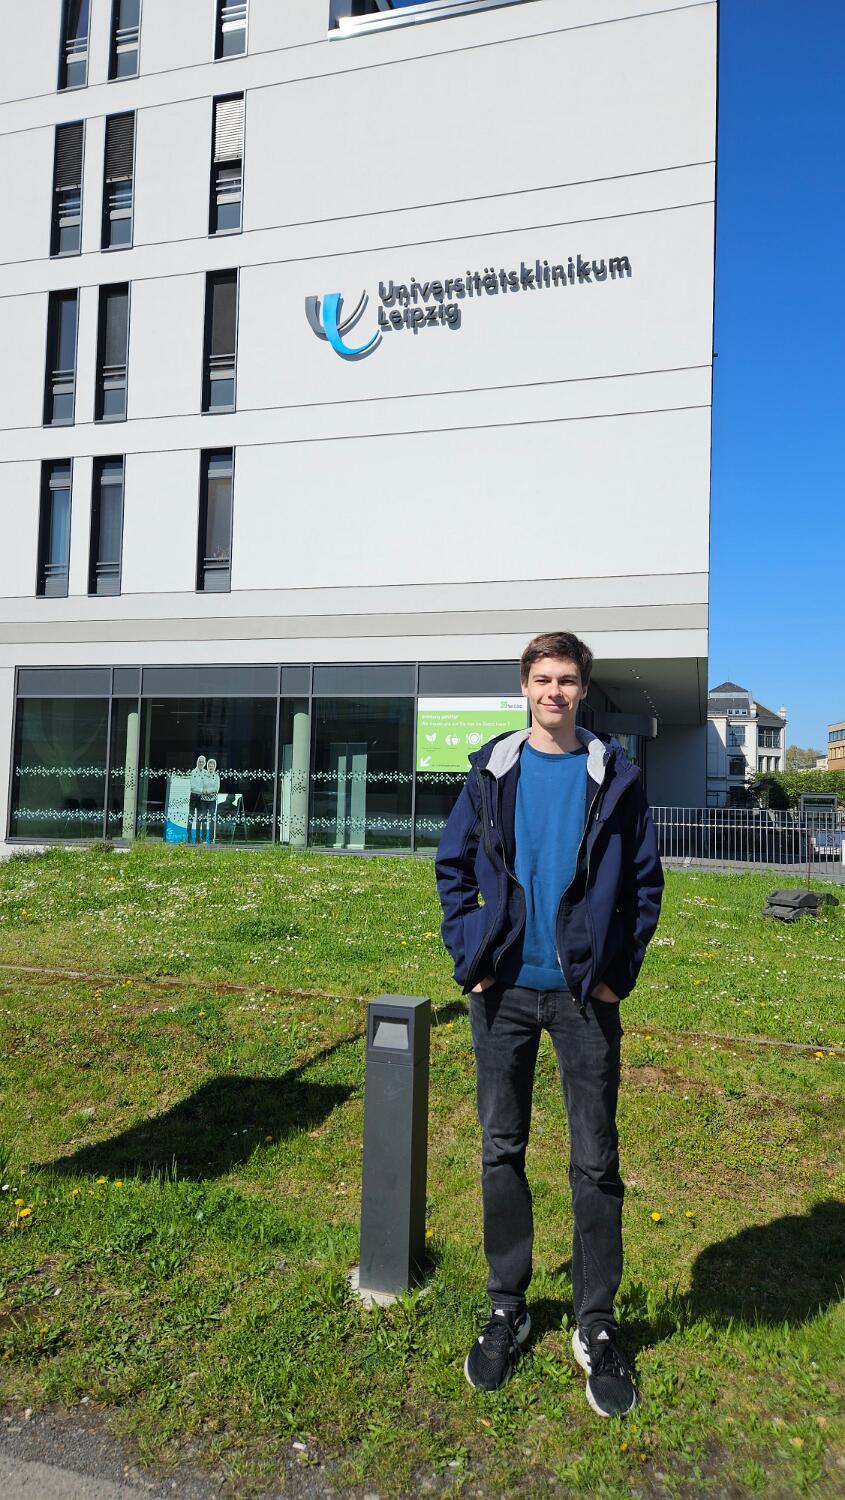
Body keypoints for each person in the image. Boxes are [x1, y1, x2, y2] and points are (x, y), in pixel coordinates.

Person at [435, 631, 663, 1417]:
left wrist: (615, 974)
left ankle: (595, 1323)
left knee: (594, 1161)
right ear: (524, 687)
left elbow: (643, 885)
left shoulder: (614, 777)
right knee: (501, 1149)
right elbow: (452, 869)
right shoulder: (492, 772)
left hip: (582, 998)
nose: (554, 692)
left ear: (582, 690)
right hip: (502, 994)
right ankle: (507, 1306)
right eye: (542, 679)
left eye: (566, 679)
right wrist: (471, 955)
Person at [187, 755, 207, 843]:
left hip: (201, 798)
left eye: (202, 762)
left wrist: (203, 790)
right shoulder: (193, 772)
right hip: (194, 797)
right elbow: (192, 786)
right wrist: (201, 790)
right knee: (190, 817)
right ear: (197, 762)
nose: (201, 763)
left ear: (205, 763)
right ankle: (188, 838)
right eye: (200, 761)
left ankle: (198, 839)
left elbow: (206, 785)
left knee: (199, 818)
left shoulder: (206, 773)